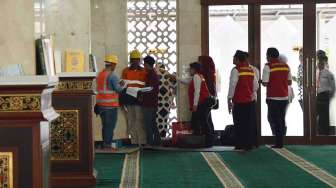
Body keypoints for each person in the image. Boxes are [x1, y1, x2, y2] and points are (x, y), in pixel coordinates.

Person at [173, 62, 215, 147]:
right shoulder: (198, 76)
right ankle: (205, 141)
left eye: (191, 69)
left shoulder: (196, 76)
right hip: (204, 102)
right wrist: (176, 78)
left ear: (194, 69)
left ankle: (206, 141)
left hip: (201, 103)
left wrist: (195, 105)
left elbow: (197, 91)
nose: (190, 70)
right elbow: (186, 81)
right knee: (202, 122)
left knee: (201, 122)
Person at [228, 50, 258, 151]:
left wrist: (229, 98)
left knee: (239, 123)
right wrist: (248, 91)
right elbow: (255, 86)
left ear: (237, 59)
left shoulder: (236, 70)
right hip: (249, 101)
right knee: (248, 124)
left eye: (234, 57)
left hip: (239, 101)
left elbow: (233, 85)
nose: (232, 59)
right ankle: (248, 145)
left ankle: (239, 145)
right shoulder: (250, 70)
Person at [262, 47, 292, 148]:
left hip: (273, 98)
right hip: (284, 97)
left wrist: (261, 81)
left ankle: (279, 143)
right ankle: (281, 140)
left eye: (267, 55)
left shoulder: (268, 66)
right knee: (281, 119)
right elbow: (289, 82)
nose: (266, 57)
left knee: (274, 120)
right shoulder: (286, 66)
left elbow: (265, 83)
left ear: (269, 56)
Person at [95, 55, 124, 150]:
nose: (115, 66)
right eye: (115, 64)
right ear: (112, 64)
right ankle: (107, 146)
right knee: (110, 127)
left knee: (105, 126)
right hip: (110, 106)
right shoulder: (113, 76)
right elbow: (118, 89)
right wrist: (123, 85)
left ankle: (105, 144)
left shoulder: (100, 74)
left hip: (101, 106)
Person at [121, 49, 147, 146]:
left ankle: (142, 141)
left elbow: (145, 86)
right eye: (133, 59)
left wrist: (142, 96)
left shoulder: (144, 71)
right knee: (131, 120)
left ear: (139, 60)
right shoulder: (125, 71)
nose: (135, 61)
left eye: (137, 59)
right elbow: (123, 86)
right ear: (131, 60)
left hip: (139, 99)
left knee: (139, 120)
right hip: (129, 99)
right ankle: (134, 141)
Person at [138, 55, 160, 145]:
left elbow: (150, 89)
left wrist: (140, 91)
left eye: (144, 64)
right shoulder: (152, 74)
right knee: (152, 124)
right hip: (152, 103)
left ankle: (150, 143)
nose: (143, 66)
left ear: (147, 64)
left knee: (148, 124)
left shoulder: (152, 75)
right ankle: (158, 142)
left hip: (149, 104)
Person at [316, 55, 335, 135]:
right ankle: (317, 133)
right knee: (316, 115)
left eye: (322, 62)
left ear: (324, 63)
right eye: (319, 62)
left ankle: (324, 135)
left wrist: (329, 96)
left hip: (324, 95)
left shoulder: (328, 73)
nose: (320, 64)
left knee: (324, 116)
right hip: (315, 95)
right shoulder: (315, 72)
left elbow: (333, 86)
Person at [244, 51, 259, 148]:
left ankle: (253, 142)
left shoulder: (253, 69)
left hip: (250, 97)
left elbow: (255, 85)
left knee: (251, 120)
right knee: (246, 120)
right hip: (247, 97)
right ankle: (247, 142)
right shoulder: (238, 69)